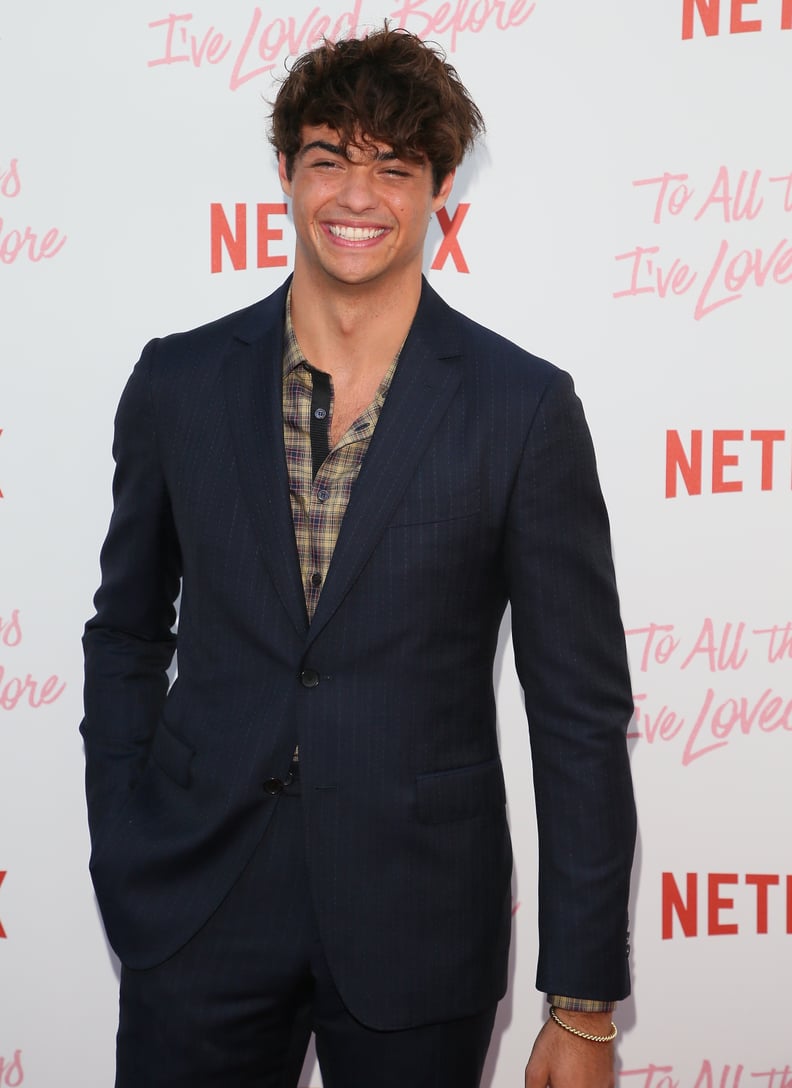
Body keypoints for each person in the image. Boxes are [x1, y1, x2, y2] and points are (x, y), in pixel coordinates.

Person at [81, 25, 636, 1088]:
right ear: (285, 171)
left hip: (420, 917)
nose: (359, 194)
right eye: (332, 155)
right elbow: (126, 633)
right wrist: (127, 840)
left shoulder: (523, 409)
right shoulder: (178, 383)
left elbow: (577, 710)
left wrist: (583, 1000)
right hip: (195, 906)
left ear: (438, 193)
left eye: (396, 166)